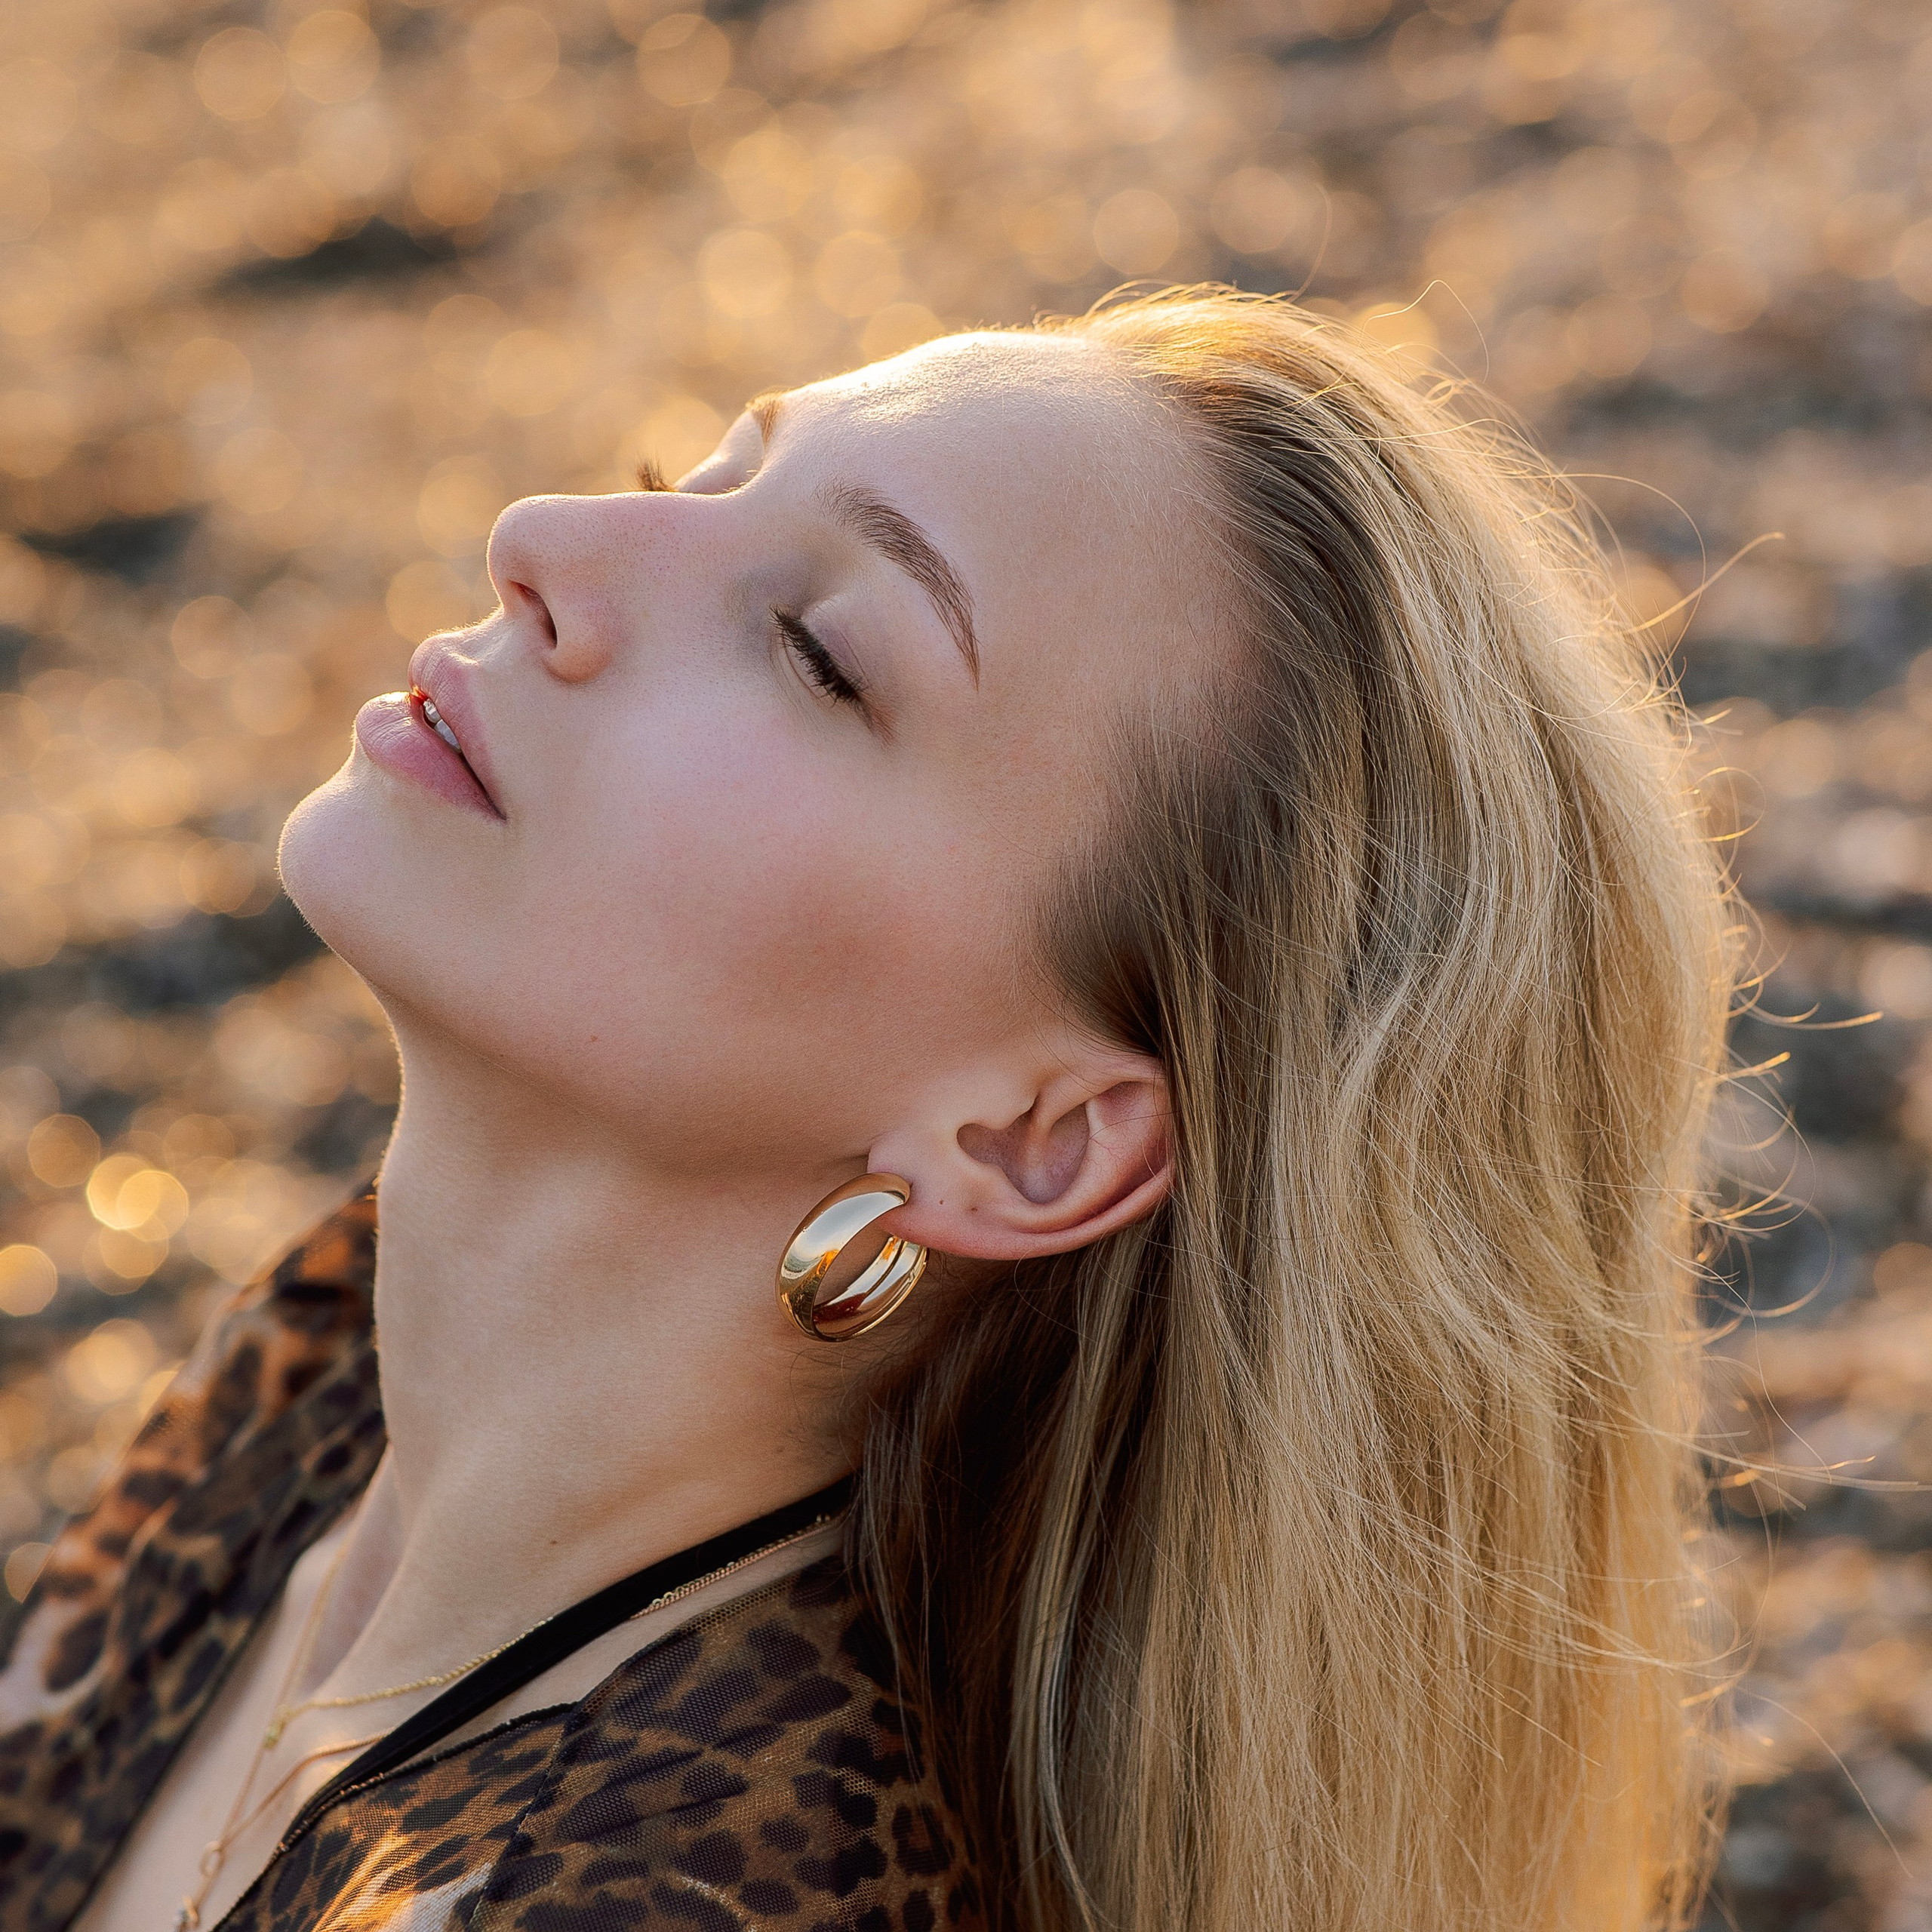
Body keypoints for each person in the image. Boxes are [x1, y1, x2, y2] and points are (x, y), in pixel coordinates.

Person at [0, 285, 1735, 1932]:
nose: (544, 538)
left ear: (1028, 1141)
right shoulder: (333, 1375)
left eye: (817, 653)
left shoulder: (687, 1884)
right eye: (697, 475)